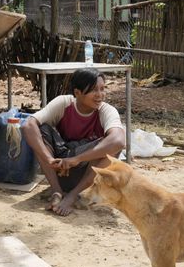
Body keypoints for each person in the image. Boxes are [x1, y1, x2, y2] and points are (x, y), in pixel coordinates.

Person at [22, 68, 125, 216]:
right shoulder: (64, 103)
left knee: (110, 145)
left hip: (87, 175)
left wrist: (76, 159)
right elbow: (28, 125)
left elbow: (119, 141)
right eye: (94, 90)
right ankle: (57, 191)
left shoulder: (106, 111)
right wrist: (49, 159)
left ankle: (73, 195)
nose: (100, 95)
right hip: (61, 170)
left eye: (103, 89)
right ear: (77, 93)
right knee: (41, 128)